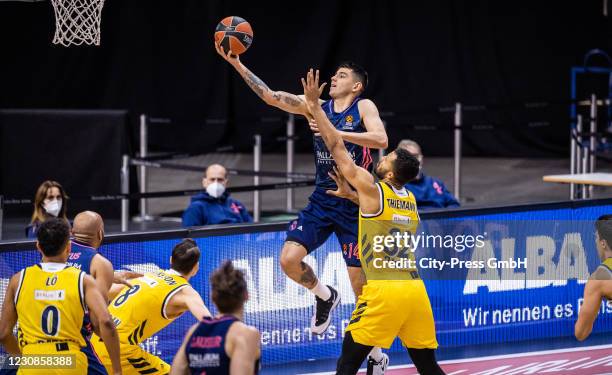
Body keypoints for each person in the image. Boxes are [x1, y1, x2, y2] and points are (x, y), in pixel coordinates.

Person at [215, 45, 388, 358]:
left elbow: (381, 140)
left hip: (355, 203)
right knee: (288, 260)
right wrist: (237, 64)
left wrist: (334, 131)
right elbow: (270, 95)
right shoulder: (315, 107)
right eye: (334, 75)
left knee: (362, 292)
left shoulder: (363, 107)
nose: (334, 79)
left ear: (357, 86)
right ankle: (324, 295)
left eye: (342, 76)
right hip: (323, 199)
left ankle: (376, 355)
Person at [302, 69, 445, 374]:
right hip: (415, 291)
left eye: (387, 158)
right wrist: (352, 198)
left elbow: (338, 149)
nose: (381, 158)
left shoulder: (371, 187)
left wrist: (315, 107)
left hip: (384, 292)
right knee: (428, 366)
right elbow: (382, 216)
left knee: (347, 363)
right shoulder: (409, 200)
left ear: (390, 173)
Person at [0, 218, 122, 375]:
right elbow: (105, 321)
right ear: (68, 247)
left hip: (33, 359)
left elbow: (3, 333)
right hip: (69, 359)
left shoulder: (18, 279)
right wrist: (117, 370)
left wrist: (22, 360)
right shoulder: (83, 279)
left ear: (38, 246)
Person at [91, 238, 212, 375]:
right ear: (196, 268)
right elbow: (210, 323)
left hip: (95, 342)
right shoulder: (186, 292)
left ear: (171, 260)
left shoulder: (147, 277)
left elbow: (104, 292)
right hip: (118, 350)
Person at [170, 261, 260, 375]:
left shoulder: (193, 331)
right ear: (246, 295)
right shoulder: (246, 333)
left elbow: (176, 372)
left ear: (213, 298)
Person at [575, 214, 612, 341]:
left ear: (603, 243)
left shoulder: (599, 279)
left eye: (596, 237)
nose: (595, 242)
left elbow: (581, 332)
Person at [182, 164, 252, 227]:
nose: (216, 183)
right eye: (212, 179)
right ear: (204, 182)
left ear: (226, 182)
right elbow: (189, 237)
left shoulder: (236, 204)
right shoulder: (196, 208)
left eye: (220, 179)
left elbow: (252, 229)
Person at [397, 140, 459, 210]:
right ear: (399, 161)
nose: (412, 160)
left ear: (421, 158)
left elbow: (454, 204)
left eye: (415, 156)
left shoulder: (435, 183)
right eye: (407, 157)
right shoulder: (396, 187)